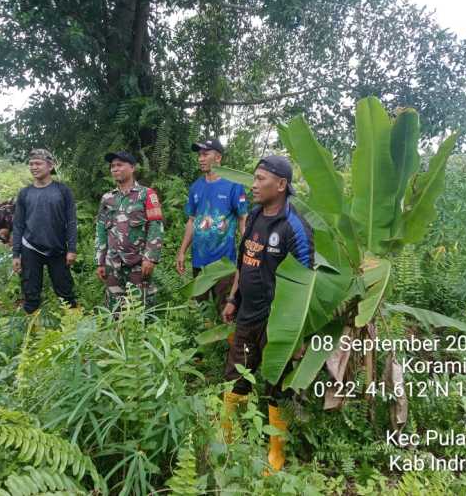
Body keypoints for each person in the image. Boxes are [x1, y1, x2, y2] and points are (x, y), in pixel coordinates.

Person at [220, 155, 314, 473]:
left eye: (261, 179)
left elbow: (307, 284)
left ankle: (276, 455)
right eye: (254, 178)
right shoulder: (255, 216)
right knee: (235, 379)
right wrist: (233, 298)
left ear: (281, 184)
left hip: (279, 325)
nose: (254, 184)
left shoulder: (296, 228)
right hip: (247, 315)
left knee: (277, 388)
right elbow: (243, 262)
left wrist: (298, 335)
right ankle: (227, 443)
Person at [176, 139, 248, 311]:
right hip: (199, 261)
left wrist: (247, 251)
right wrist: (182, 251)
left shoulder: (234, 186)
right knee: (200, 310)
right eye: (199, 155)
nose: (201, 159)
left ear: (218, 157)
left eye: (205, 154)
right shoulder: (196, 187)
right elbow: (192, 220)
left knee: (224, 309)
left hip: (223, 263)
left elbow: (242, 220)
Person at [95, 151, 164, 312]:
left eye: (119, 165)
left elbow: (155, 225)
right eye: (112, 166)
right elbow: (100, 229)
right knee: (115, 310)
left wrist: (150, 258)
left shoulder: (147, 194)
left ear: (132, 168)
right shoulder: (107, 198)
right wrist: (100, 260)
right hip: (113, 263)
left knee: (141, 309)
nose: (115, 169)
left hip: (138, 263)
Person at [12, 149, 78, 314]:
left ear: (50, 166)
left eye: (38, 163)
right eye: (31, 164)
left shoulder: (63, 191)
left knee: (65, 291)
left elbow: (71, 222)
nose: (34, 167)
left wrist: (71, 249)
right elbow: (18, 224)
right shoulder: (25, 193)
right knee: (30, 292)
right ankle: (31, 330)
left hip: (57, 248)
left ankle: (74, 326)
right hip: (30, 248)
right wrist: (16, 254)